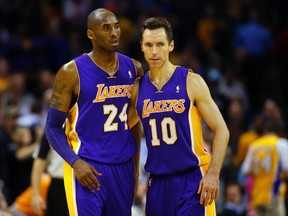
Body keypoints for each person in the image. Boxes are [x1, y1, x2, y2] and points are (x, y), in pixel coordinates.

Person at [45, 8, 143, 216]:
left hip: (123, 167)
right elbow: (52, 127)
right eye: (106, 28)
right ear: (91, 34)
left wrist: (135, 169)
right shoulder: (71, 72)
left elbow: (134, 122)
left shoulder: (134, 69)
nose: (114, 33)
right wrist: (75, 162)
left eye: (116, 27)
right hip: (87, 167)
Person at [128, 17, 229, 216]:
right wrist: (134, 171)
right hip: (157, 182)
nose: (154, 51)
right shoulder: (137, 89)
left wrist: (213, 174)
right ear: (141, 47)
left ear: (171, 45)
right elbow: (126, 128)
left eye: (160, 44)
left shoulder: (191, 81)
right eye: (149, 45)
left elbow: (222, 130)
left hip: (192, 179)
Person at [242, 119, 288, 216]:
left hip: (256, 196)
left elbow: (245, 170)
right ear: (279, 132)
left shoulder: (255, 145)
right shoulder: (280, 143)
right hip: (274, 196)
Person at [31, 133, 68, 216]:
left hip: (84, 183)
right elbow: (39, 160)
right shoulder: (52, 127)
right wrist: (35, 194)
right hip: (58, 185)